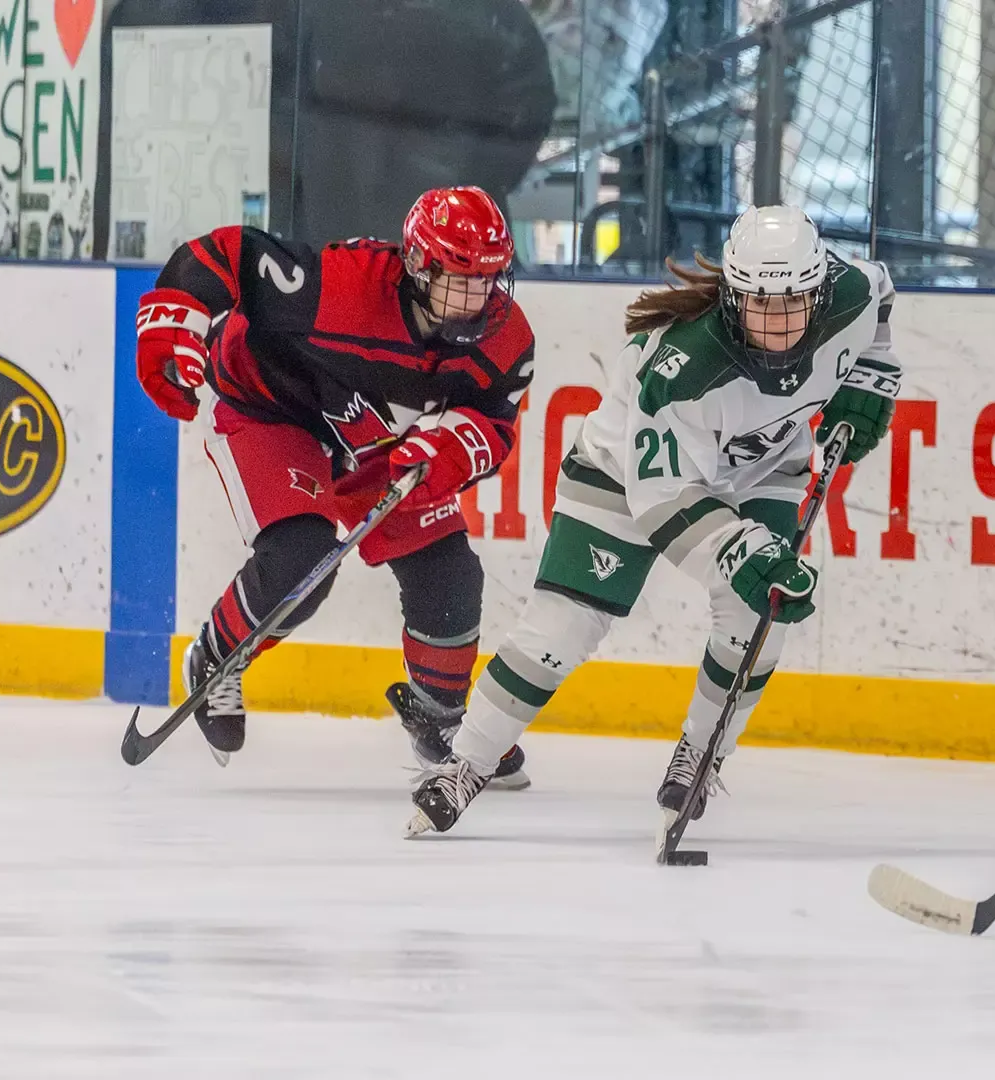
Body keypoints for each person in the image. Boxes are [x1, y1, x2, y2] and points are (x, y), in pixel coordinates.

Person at [404, 205, 902, 838]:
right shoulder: (680, 372)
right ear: (730, 299)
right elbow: (664, 501)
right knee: (560, 631)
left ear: (820, 290)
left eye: (792, 305)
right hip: (625, 474)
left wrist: (874, 377)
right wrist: (739, 550)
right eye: (758, 306)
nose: (777, 327)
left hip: (763, 465)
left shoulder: (848, 296)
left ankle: (701, 753)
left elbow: (881, 294)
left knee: (759, 613)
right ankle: (466, 764)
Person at [134, 185, 533, 787]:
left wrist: (452, 448)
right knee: (303, 561)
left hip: (370, 441)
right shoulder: (342, 287)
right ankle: (216, 655)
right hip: (271, 411)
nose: (479, 298)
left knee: (449, 572)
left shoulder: (505, 340)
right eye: (461, 279)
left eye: (490, 279)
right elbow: (230, 252)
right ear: (419, 266)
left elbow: (495, 422)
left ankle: (441, 720)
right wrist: (174, 321)